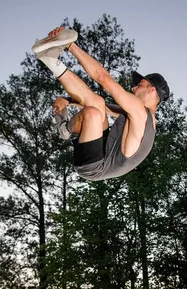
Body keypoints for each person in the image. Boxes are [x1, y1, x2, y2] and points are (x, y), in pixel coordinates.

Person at [32, 27, 170, 181]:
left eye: (140, 85)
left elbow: (102, 77)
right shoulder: (141, 118)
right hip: (102, 149)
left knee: (93, 114)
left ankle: (64, 129)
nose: (133, 88)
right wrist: (69, 101)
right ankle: (50, 59)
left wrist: (70, 46)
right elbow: (105, 108)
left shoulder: (140, 114)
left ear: (152, 90)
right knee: (98, 102)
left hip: (94, 167)